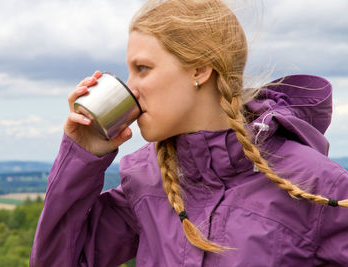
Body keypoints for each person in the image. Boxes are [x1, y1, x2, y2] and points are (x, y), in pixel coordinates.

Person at [30, 0, 348, 266]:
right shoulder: (144, 182)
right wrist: (82, 154)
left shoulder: (318, 183)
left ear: (200, 70)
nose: (132, 88)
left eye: (142, 69)